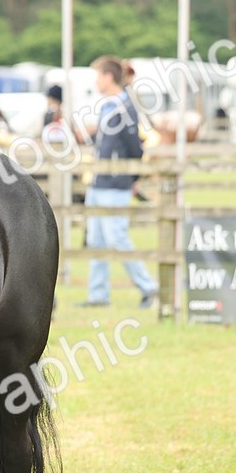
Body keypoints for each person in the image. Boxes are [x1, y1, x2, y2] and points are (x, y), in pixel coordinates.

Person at [79, 55, 158, 309]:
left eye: (98, 76)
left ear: (108, 77)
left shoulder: (125, 108)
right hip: (99, 182)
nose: (96, 81)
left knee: (118, 238)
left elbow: (135, 148)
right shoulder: (106, 106)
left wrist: (130, 177)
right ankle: (98, 294)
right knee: (97, 240)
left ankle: (149, 288)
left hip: (116, 184)